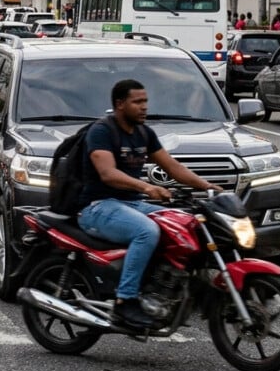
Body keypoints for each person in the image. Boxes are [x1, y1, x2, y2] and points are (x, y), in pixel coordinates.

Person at [77, 79, 221, 330]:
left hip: (130, 205)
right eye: (138, 102)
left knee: (186, 224)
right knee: (146, 231)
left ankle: (168, 288)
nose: (144, 107)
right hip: (97, 207)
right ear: (120, 104)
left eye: (145, 101)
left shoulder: (144, 133)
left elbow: (173, 167)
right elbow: (108, 173)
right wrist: (146, 187)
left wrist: (207, 186)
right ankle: (125, 302)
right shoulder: (102, 131)